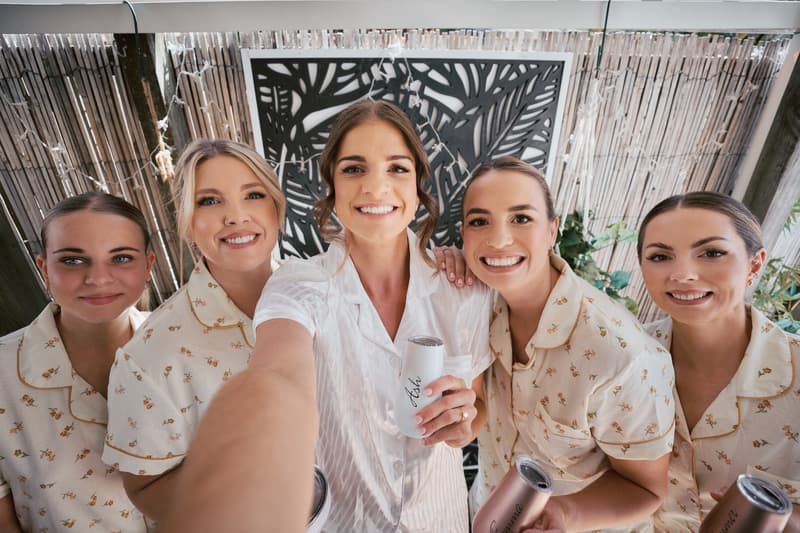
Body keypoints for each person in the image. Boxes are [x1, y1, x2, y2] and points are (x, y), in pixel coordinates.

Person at [250, 99, 494, 532]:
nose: (376, 188)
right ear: (332, 186)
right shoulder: (298, 286)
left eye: (397, 169)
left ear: (419, 185)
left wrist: (463, 426)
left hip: (441, 519)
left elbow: (475, 407)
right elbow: (275, 371)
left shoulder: (464, 290)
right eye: (354, 169)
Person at [459, 157, 675, 532]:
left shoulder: (621, 356)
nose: (498, 239)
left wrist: (563, 514)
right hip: (484, 509)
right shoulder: (474, 304)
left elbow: (646, 489)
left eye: (521, 218)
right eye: (480, 221)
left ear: (552, 229)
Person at [101, 139, 286, 524]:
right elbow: (145, 490)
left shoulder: (329, 292)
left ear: (277, 207)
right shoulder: (150, 356)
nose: (235, 216)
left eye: (253, 194)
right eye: (209, 201)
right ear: (186, 221)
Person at [637, 191, 799, 532]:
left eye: (712, 253)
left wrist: (784, 521)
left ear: (755, 264)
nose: (683, 274)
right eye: (660, 256)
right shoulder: (622, 360)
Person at [0, 192, 155, 532]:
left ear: (148, 265)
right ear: (44, 268)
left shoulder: (188, 351)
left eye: (121, 258)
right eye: (72, 260)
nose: (98, 278)